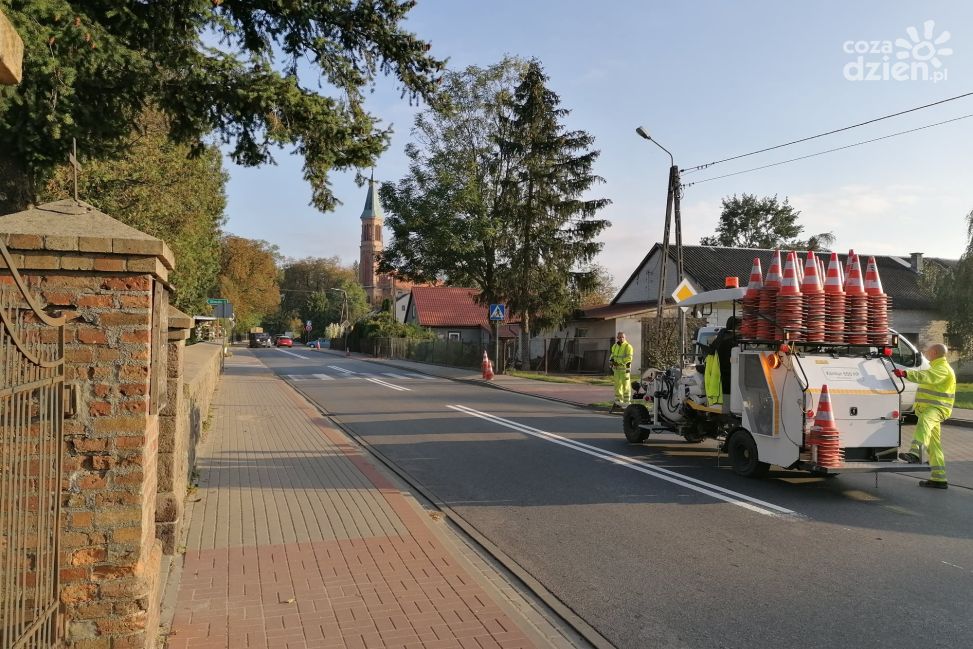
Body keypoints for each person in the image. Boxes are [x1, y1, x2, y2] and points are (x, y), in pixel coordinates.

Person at [896, 343, 955, 490]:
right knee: (934, 445)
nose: (925, 352)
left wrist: (906, 373)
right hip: (933, 408)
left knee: (924, 422)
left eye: (928, 351)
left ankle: (915, 453)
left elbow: (928, 377)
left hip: (937, 409)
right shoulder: (937, 367)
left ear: (934, 352)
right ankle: (939, 478)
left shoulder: (942, 369)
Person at [610, 331, 634, 404]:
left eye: (623, 337)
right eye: (620, 337)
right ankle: (618, 401)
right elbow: (612, 355)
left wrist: (618, 362)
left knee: (626, 385)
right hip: (617, 370)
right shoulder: (614, 346)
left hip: (625, 370)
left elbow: (629, 358)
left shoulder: (628, 346)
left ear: (625, 337)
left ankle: (627, 401)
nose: (621, 338)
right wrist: (611, 361)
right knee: (617, 385)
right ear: (617, 338)